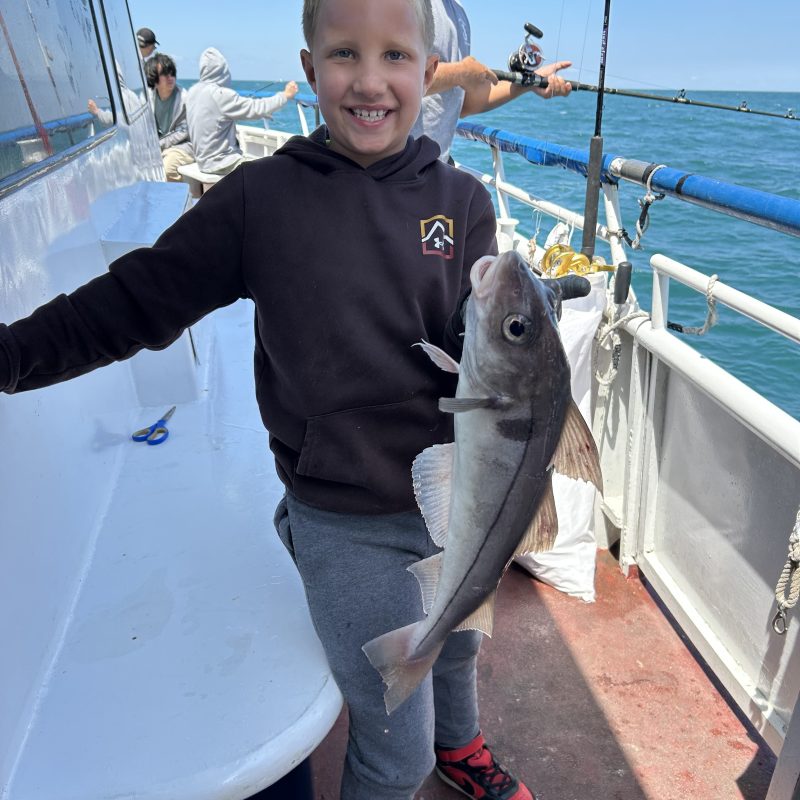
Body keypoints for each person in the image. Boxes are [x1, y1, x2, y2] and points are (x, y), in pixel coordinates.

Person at [0, 1, 588, 797]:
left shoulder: (463, 202)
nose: (370, 80)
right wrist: (11, 357)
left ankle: (462, 744)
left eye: (395, 56)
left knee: (461, 638)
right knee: (397, 755)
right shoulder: (260, 201)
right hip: (343, 517)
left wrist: (506, 326)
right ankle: (425, 754)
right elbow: (133, 301)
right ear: (309, 69)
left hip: (454, 498)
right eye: (345, 54)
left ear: (429, 72)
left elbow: (464, 334)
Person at [411, 0, 573, 162]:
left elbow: (465, 104)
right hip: (401, 167)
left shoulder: (459, 14)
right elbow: (399, 74)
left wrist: (531, 81)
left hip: (435, 166)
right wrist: (460, 72)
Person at [186, 48, 299, 175]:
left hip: (203, 162)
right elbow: (256, 109)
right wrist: (285, 95)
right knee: (273, 171)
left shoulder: (192, 92)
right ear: (223, 70)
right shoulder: (219, 94)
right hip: (223, 163)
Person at [145, 53, 195, 182]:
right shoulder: (147, 99)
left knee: (167, 169)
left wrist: (156, 145)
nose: (170, 77)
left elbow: (183, 132)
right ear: (153, 78)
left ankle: (179, 195)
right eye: (165, 74)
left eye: (172, 73)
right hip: (159, 147)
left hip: (184, 146)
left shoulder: (185, 99)